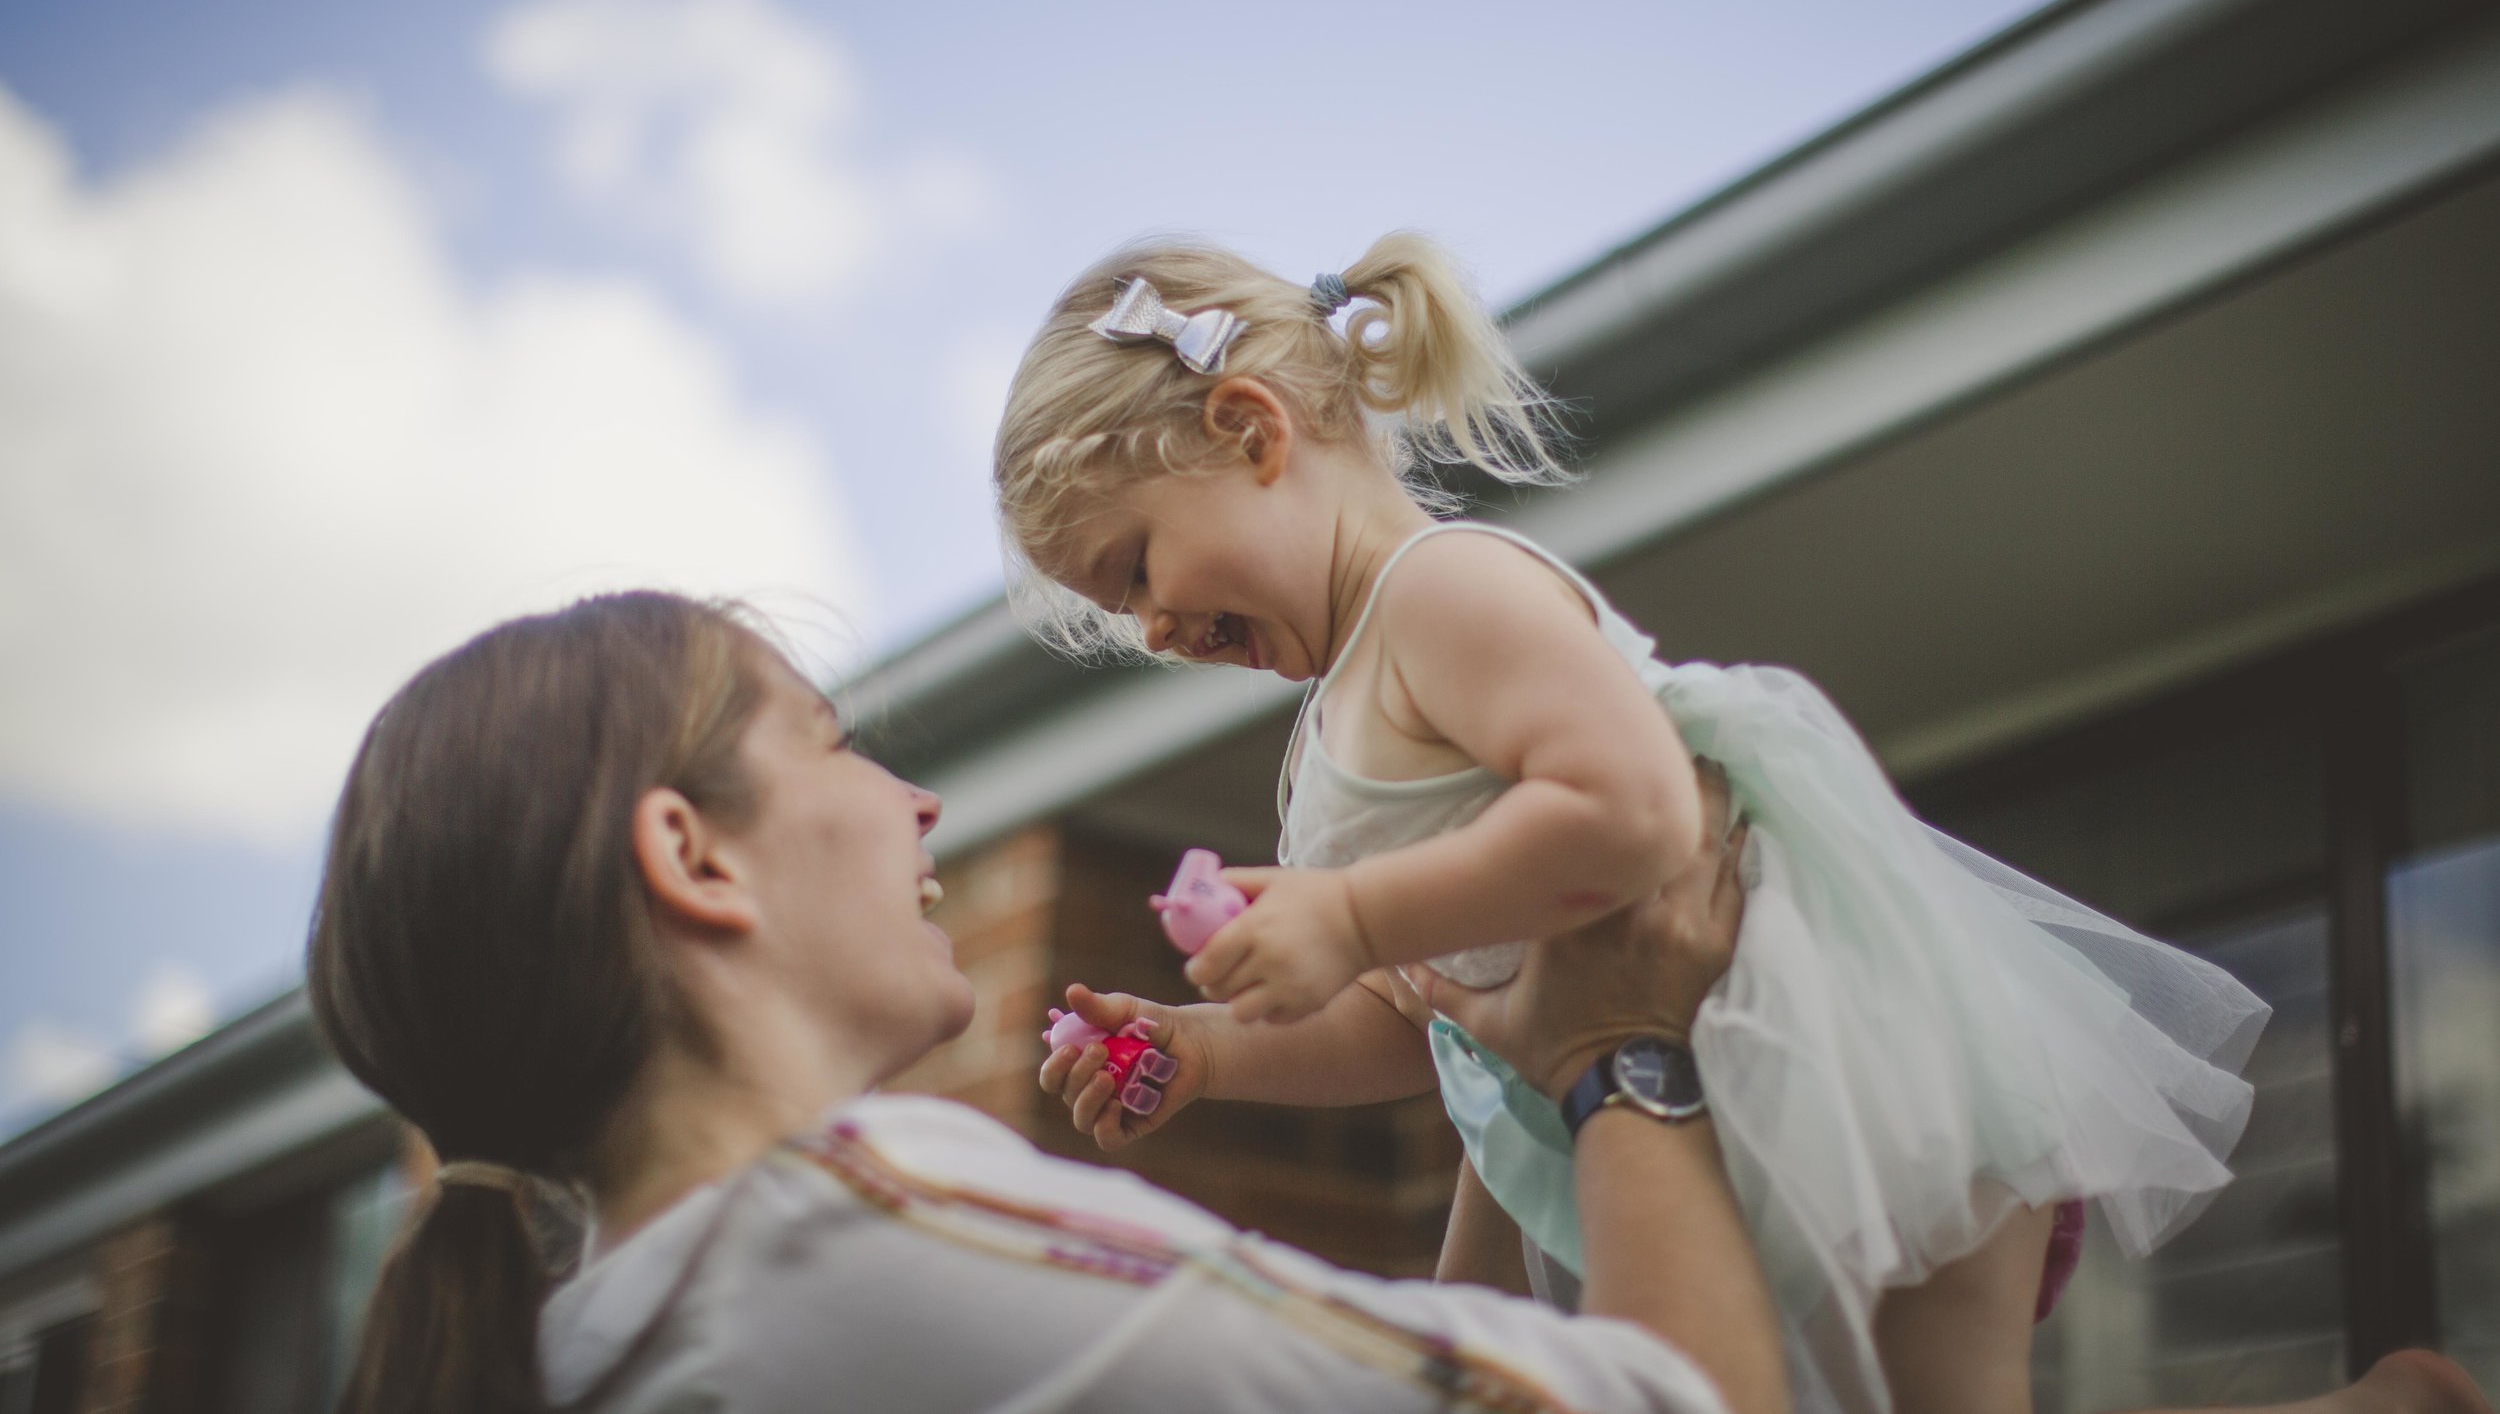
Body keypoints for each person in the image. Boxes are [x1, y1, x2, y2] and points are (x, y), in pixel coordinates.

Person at [990, 235, 2482, 1414]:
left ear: (1251, 429)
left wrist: (1357, 910)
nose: (1155, 629)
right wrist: (1209, 1050)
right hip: (1648, 1120)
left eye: (1134, 568)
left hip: (1853, 1076)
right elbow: (1419, 1018)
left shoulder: (1447, 595)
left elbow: (1637, 811)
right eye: (1121, 612)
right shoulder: (1336, 715)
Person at [306, 590, 1789, 1414]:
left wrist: (1484, 1063)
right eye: (832, 746)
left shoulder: (601, 1334)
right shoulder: (881, 1247)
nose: (918, 799)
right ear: (692, 856)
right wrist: (1623, 1053)